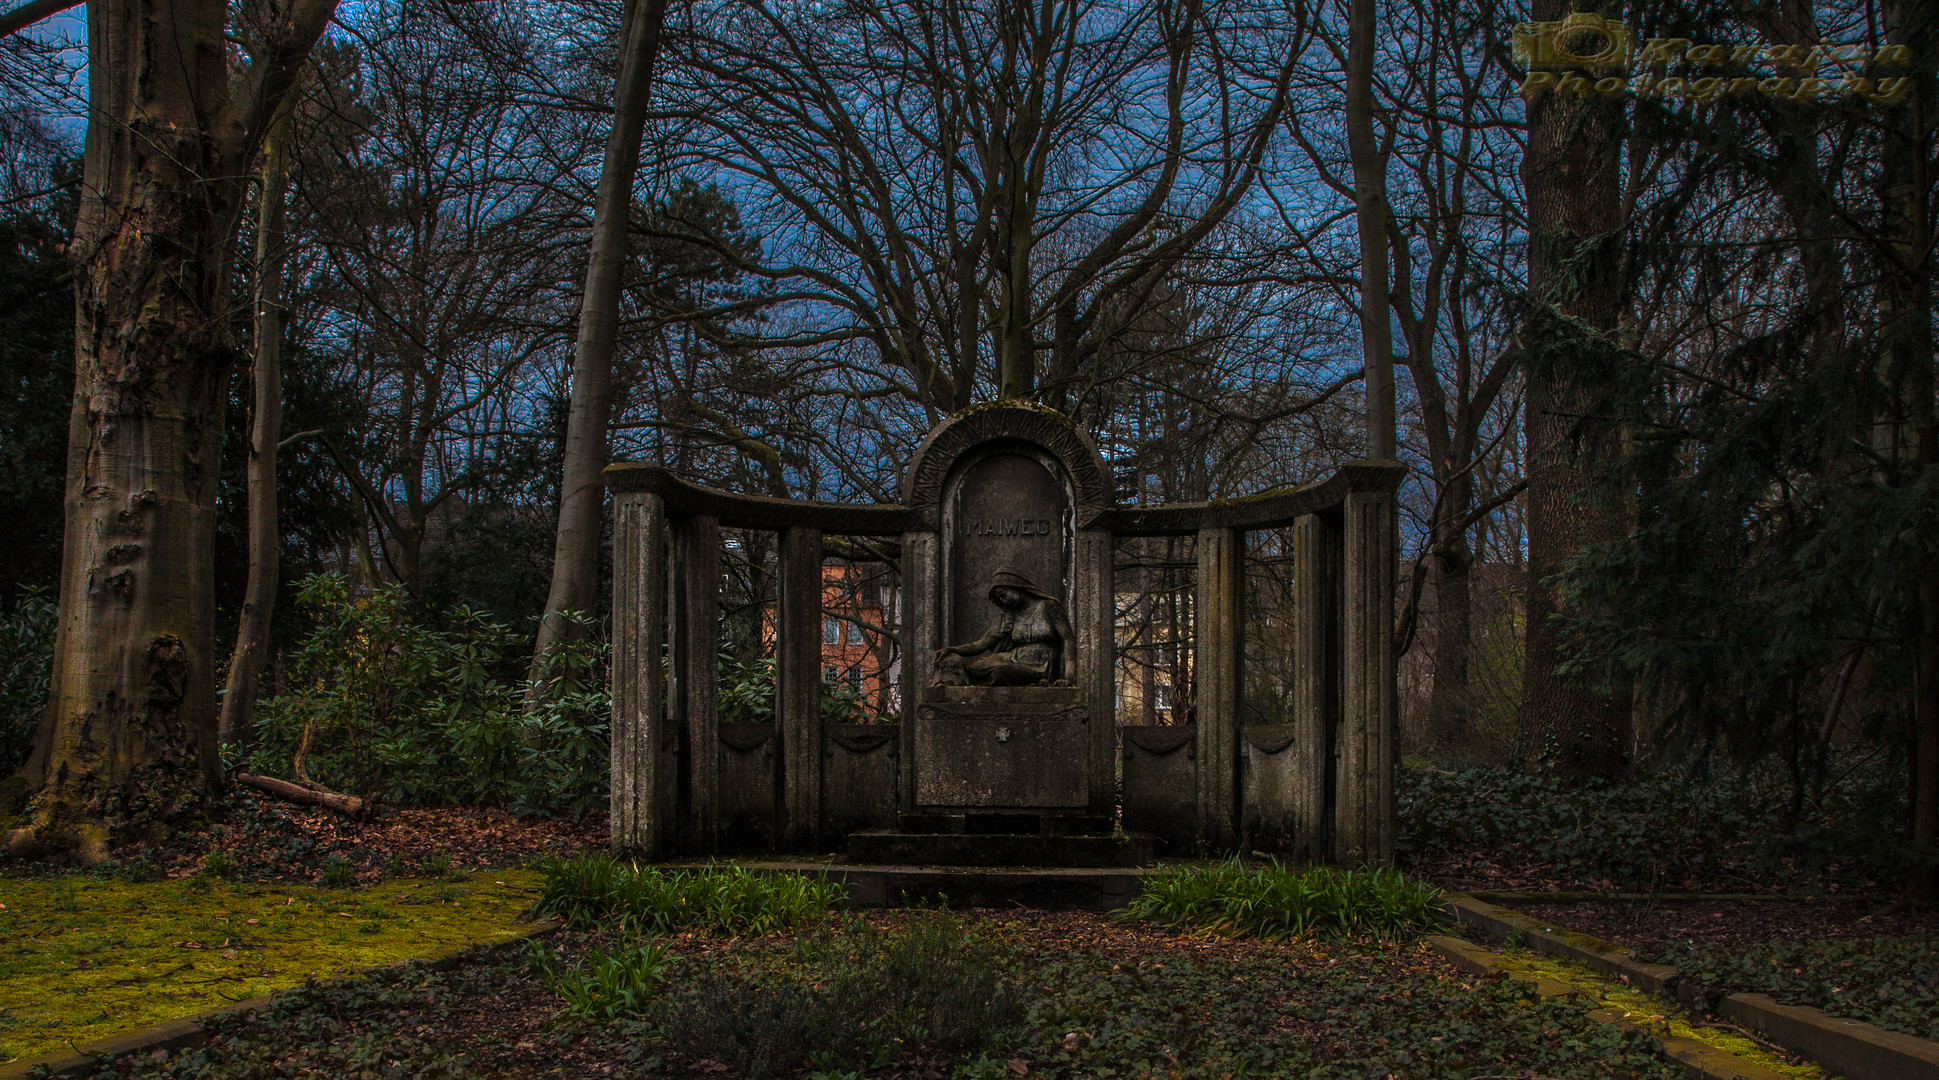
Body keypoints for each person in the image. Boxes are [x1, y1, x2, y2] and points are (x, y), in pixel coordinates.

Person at [934, 569, 1075, 686]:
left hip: (1040, 663)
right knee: (976, 667)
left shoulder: (1048, 606)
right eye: (998, 599)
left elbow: (1068, 639)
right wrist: (951, 650)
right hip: (1014, 657)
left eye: (1003, 594)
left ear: (1016, 585)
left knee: (1001, 672)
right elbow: (981, 644)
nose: (1002, 600)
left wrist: (1068, 677)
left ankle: (1035, 680)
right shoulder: (1008, 615)